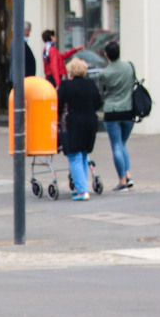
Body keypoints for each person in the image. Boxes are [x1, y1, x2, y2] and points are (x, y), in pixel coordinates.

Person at [56, 56, 102, 202]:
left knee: (74, 156)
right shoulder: (91, 84)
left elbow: (58, 105)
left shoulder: (65, 85)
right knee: (82, 154)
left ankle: (82, 190)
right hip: (90, 122)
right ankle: (79, 187)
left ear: (70, 71)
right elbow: (98, 103)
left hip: (73, 123)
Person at [95, 41, 135, 191]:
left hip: (112, 111)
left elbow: (101, 93)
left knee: (117, 146)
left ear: (106, 55)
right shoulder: (129, 67)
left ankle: (122, 181)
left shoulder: (104, 73)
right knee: (122, 144)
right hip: (129, 110)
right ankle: (128, 174)